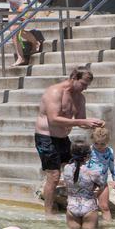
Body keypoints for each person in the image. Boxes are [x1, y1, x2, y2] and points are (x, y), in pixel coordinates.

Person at [36, 68, 104, 215]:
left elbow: (80, 122)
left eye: (87, 85)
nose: (85, 88)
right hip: (46, 138)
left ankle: (73, 206)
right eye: (83, 84)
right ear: (73, 77)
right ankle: (48, 212)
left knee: (73, 171)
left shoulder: (79, 98)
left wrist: (93, 123)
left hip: (63, 138)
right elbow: (53, 119)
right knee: (54, 176)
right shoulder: (55, 92)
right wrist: (83, 121)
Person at [62, 142, 103, 229]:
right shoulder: (93, 171)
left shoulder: (66, 168)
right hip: (89, 207)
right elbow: (102, 184)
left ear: (72, 153)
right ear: (88, 155)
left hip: (72, 207)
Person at [88, 127, 115, 221]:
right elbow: (84, 167)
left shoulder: (109, 151)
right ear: (92, 140)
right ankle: (91, 227)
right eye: (96, 143)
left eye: (102, 144)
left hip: (103, 183)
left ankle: (108, 228)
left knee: (105, 207)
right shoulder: (90, 151)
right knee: (91, 207)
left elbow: (112, 166)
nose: (99, 146)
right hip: (90, 184)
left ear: (107, 141)